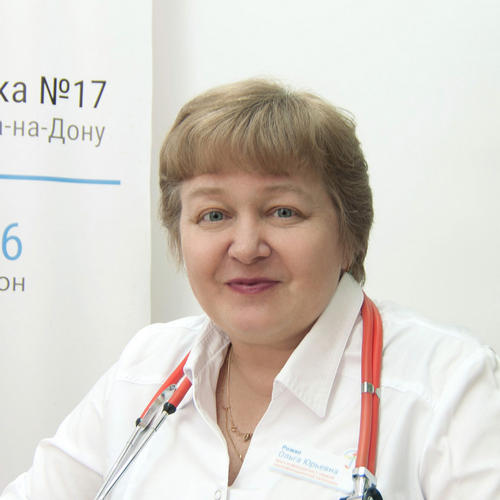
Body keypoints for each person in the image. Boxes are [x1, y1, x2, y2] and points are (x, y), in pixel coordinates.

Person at [2, 79, 500, 499]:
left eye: (283, 211)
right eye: (213, 214)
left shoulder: (447, 389)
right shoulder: (146, 368)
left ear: (349, 234)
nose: (245, 247)